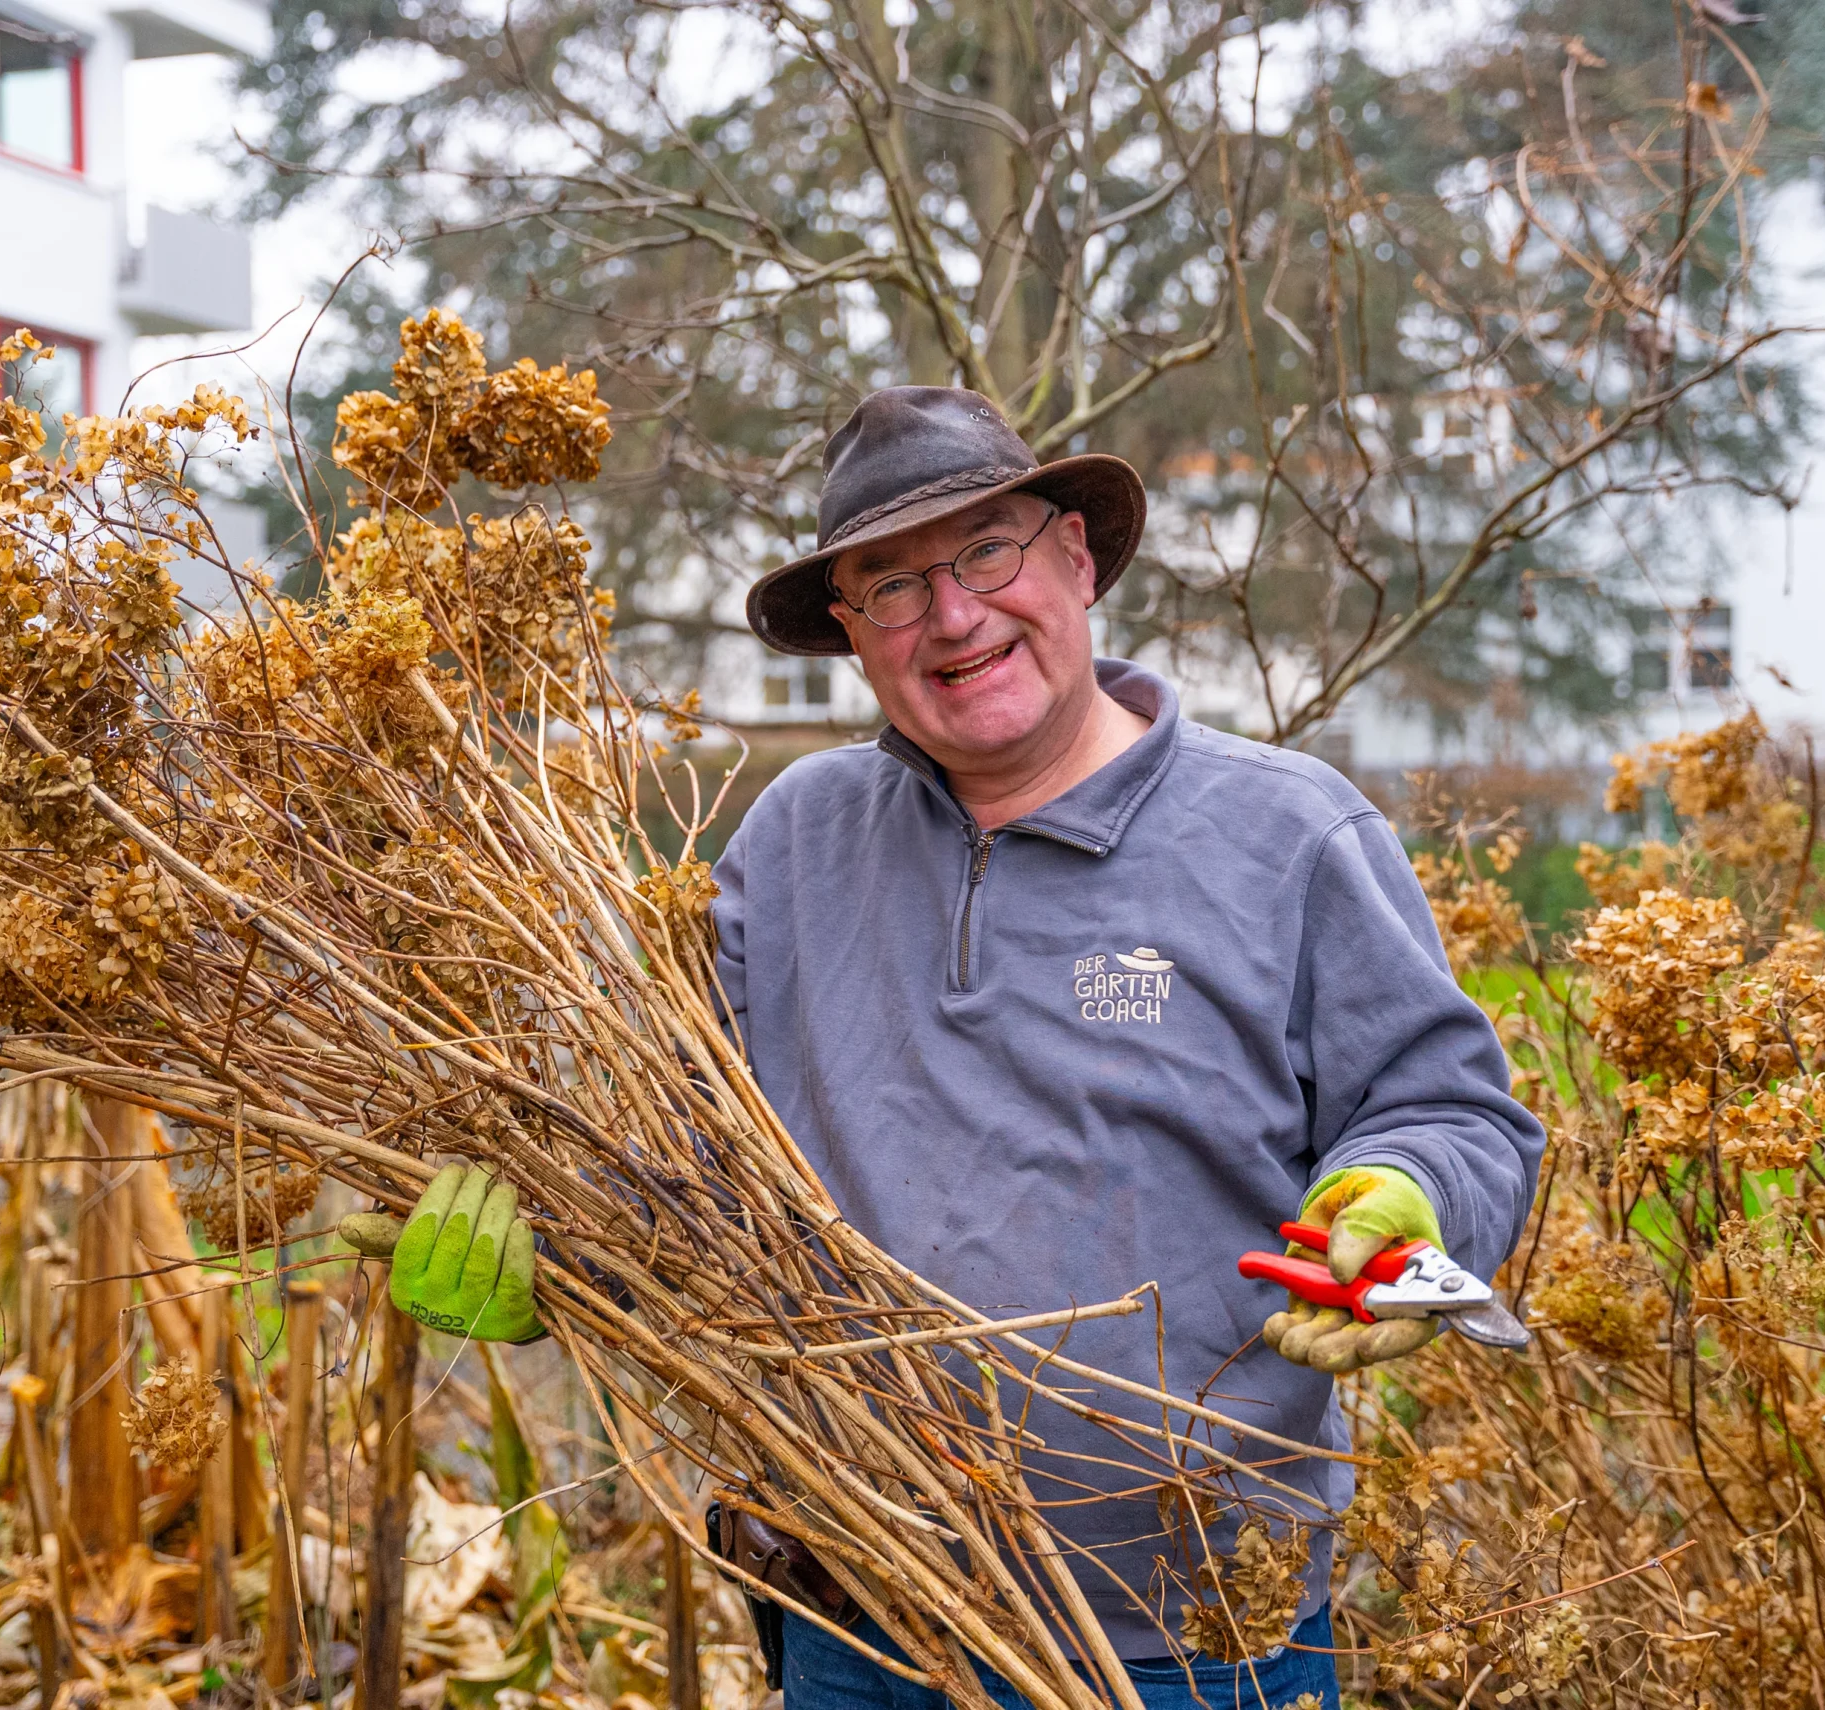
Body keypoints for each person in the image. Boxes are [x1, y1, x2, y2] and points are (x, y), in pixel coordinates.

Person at [370, 388, 1546, 1708]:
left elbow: (1454, 1108)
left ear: (1077, 558)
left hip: (1191, 1640)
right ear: (852, 636)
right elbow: (697, 1164)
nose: (954, 616)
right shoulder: (794, 842)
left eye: (986, 551)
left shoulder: (1289, 837)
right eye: (891, 586)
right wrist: (563, 1254)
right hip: (859, 1615)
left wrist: (1408, 1199)